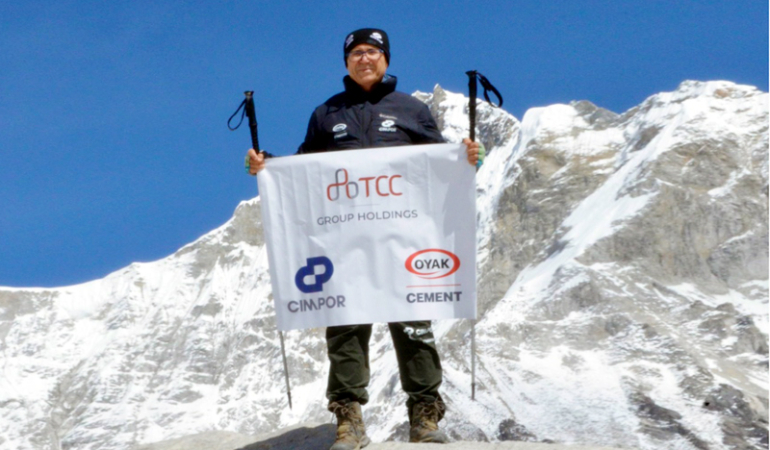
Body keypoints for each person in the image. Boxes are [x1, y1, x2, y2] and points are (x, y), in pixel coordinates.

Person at [246, 28, 482, 450]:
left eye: (372, 52)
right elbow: (304, 172)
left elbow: (439, 166)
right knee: (345, 327)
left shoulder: (411, 109)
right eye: (356, 53)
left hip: (402, 238)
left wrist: (464, 159)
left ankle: (424, 418)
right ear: (346, 62)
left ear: (386, 59)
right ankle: (348, 421)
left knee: (413, 326)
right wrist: (267, 167)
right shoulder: (326, 114)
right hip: (344, 242)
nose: (364, 59)